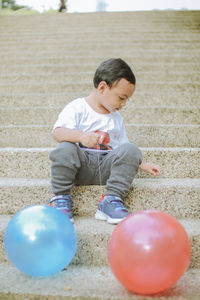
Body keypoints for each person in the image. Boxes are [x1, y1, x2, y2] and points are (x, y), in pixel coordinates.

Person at [48, 58, 161, 224]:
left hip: (106, 170)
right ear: (102, 87)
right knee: (64, 148)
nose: (123, 104)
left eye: (126, 100)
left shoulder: (116, 118)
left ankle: (111, 200)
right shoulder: (77, 107)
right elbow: (58, 133)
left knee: (132, 149)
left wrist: (142, 164)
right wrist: (81, 136)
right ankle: (60, 199)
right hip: (80, 167)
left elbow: (122, 150)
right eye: (121, 98)